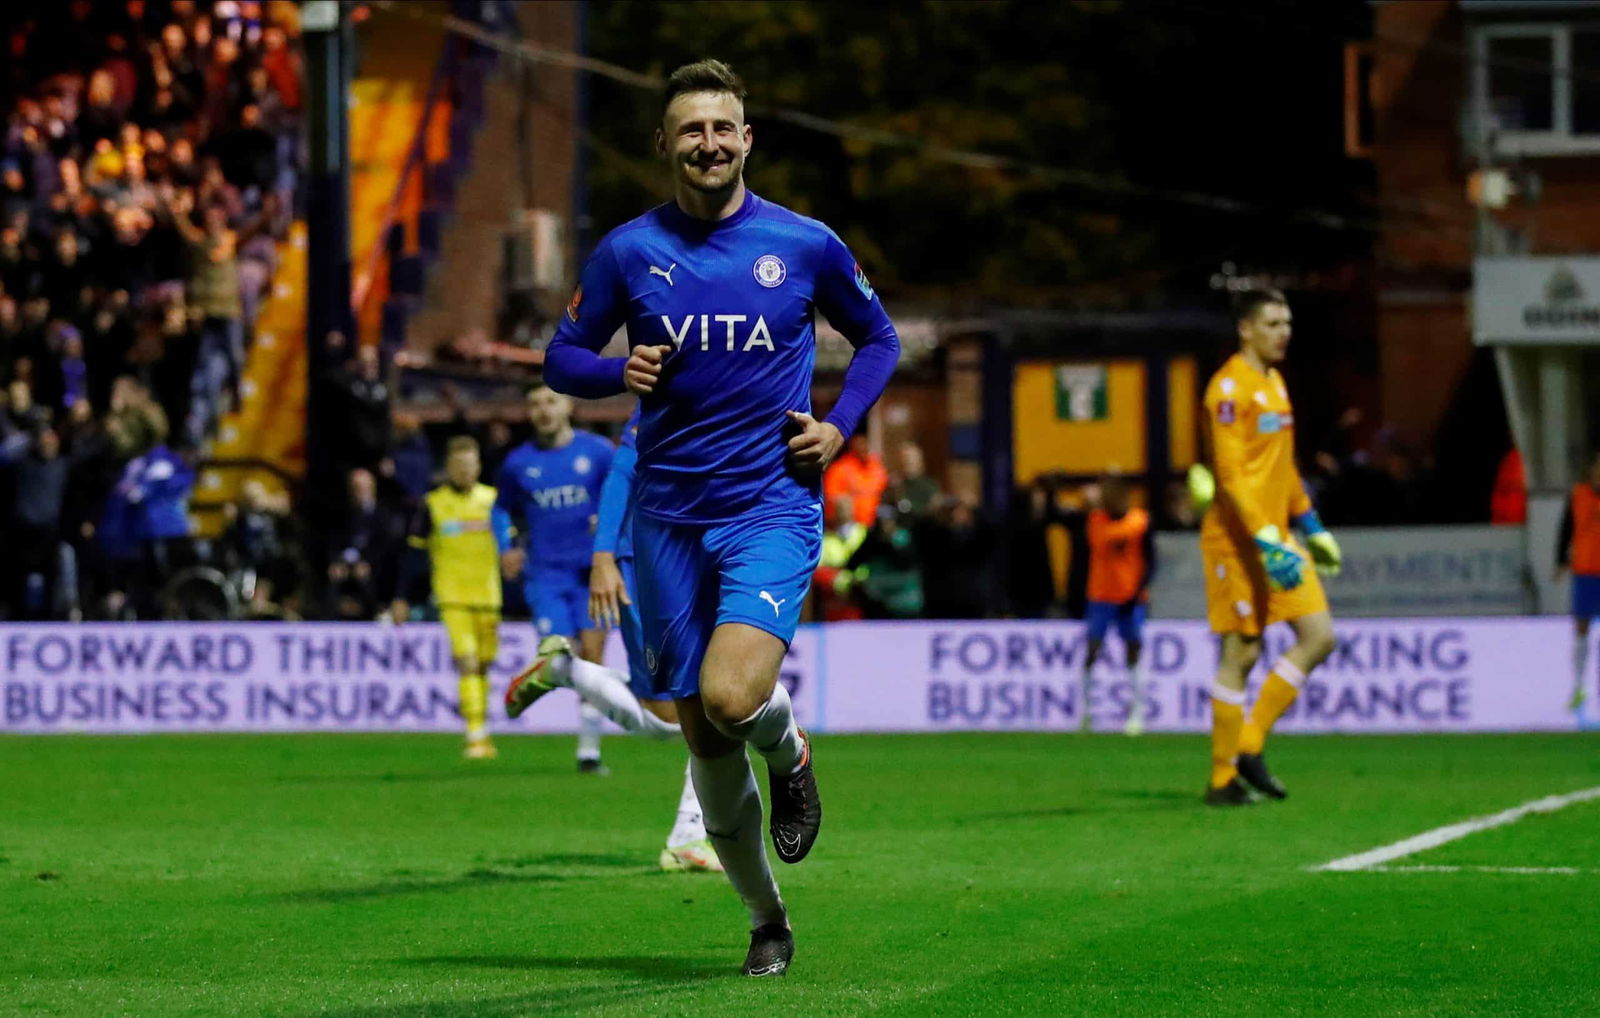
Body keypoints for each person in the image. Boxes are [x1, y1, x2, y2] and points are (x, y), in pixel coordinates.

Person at [538, 59, 899, 976]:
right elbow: (561, 356)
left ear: (747, 139)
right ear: (664, 144)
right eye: (691, 130)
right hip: (665, 517)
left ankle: (790, 747)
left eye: (724, 128)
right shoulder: (627, 251)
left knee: (730, 698)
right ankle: (766, 921)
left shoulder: (804, 243)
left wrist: (838, 426)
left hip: (768, 504)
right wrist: (615, 372)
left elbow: (879, 338)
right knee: (697, 730)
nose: (709, 143)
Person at [504, 407, 721, 873]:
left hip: (692, 557)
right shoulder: (665, 399)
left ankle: (690, 835)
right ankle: (566, 670)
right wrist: (605, 554)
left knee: (713, 702)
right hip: (648, 564)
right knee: (681, 715)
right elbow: (623, 472)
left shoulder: (730, 384)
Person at [1199, 289, 1341, 806]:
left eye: (1287, 322)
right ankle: (1221, 780)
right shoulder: (1228, 390)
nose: (1285, 332)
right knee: (1243, 651)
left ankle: (1250, 745)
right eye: (1274, 323)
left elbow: (1281, 468)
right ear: (1246, 329)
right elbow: (1232, 477)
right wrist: (1264, 538)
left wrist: (1311, 524)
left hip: (1276, 536)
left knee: (1319, 635)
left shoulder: (1275, 385)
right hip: (1237, 542)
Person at [493, 384, 615, 773]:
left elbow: (625, 493)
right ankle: (533, 682)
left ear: (568, 405)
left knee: (594, 658)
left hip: (593, 574)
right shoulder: (518, 463)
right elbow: (500, 510)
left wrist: (612, 520)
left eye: (550, 401)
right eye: (534, 404)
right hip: (544, 574)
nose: (543, 410)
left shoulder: (597, 452)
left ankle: (589, 751)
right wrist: (505, 546)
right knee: (559, 655)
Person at [391, 436, 503, 759]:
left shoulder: (494, 501)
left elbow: (510, 548)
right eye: (459, 465)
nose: (465, 471)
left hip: (489, 595)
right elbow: (413, 556)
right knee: (467, 662)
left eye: (470, 465)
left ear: (478, 466)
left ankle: (481, 725)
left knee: (483, 665)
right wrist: (401, 597)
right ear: (449, 468)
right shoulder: (433, 504)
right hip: (452, 596)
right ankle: (475, 735)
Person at [1080, 476, 1155, 736]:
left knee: (1133, 650)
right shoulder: (1094, 520)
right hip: (1100, 595)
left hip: (1130, 597)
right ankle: (1087, 713)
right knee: (1092, 649)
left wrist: (1137, 590)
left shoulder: (1139, 522)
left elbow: (1150, 560)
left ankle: (1136, 714)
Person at [1556, 452, 1600, 712]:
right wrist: (1560, 560)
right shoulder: (1578, 495)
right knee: (1581, 629)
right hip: (1584, 571)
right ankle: (1579, 686)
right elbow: (1566, 529)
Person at [823, 425, 888, 527]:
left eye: (865, 442)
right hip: (849, 528)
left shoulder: (877, 467)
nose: (863, 446)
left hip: (875, 526)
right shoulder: (839, 469)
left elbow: (885, 493)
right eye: (859, 442)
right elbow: (831, 499)